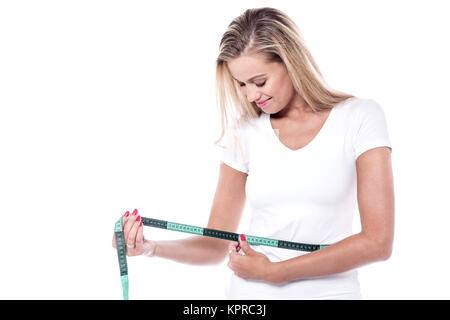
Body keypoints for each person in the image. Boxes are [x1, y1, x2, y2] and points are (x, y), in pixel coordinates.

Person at [112, 7, 395, 300]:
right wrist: (151, 247)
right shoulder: (245, 133)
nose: (250, 95)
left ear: (291, 62)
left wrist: (275, 272)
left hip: (332, 293)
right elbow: (215, 244)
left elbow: (377, 242)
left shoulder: (359, 117)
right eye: (242, 84)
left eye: (259, 82)